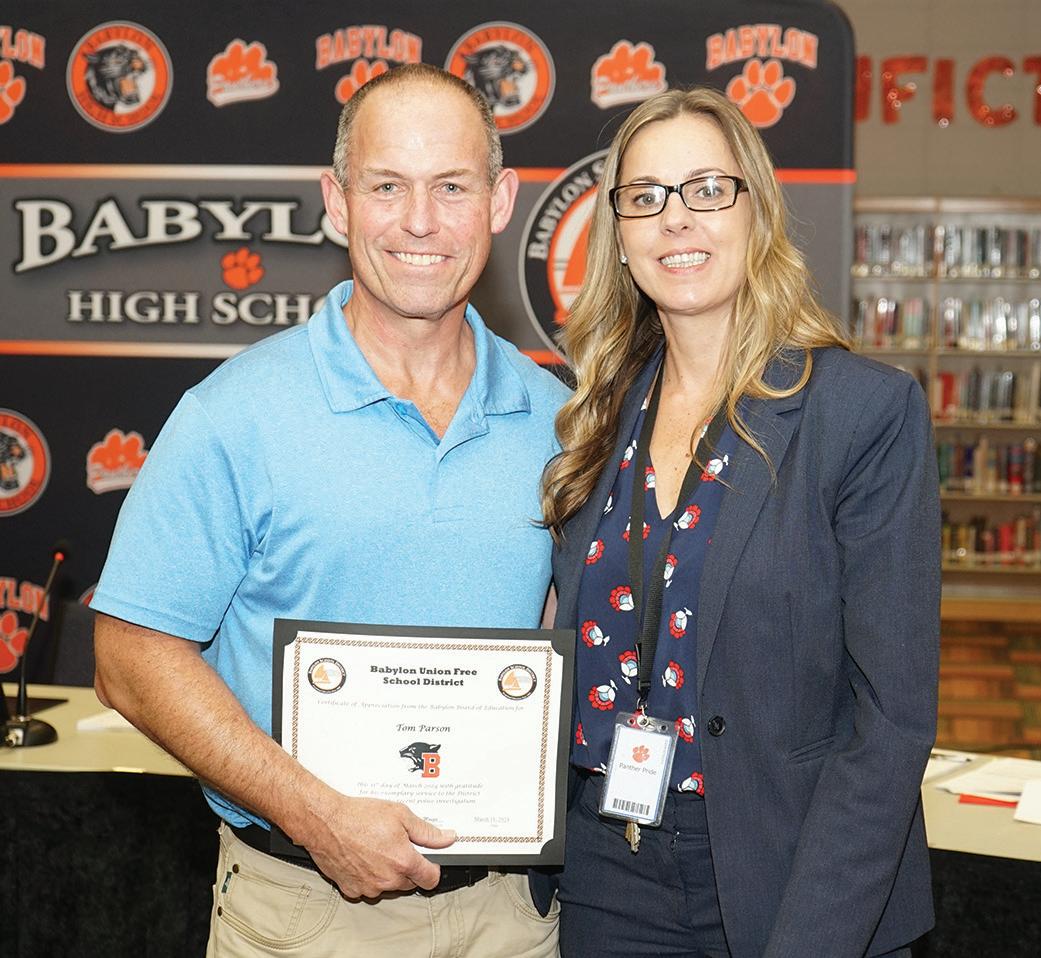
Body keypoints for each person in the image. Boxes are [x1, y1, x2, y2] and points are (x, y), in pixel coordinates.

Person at [91, 63, 568, 957]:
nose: (419, 221)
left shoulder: (561, 422)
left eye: (451, 187)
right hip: (304, 914)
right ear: (337, 203)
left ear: (499, 202)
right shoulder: (234, 414)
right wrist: (316, 814)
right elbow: (129, 658)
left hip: (513, 915)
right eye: (386, 186)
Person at [534, 86, 940, 958]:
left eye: (707, 189)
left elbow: (893, 720)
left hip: (794, 874)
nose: (676, 218)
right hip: (606, 870)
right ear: (618, 234)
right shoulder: (593, 417)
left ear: (756, 211)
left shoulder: (859, 414)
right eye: (645, 197)